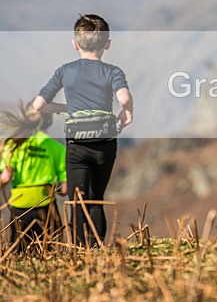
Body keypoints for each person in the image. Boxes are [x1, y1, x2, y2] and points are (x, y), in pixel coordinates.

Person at [33, 14, 133, 247]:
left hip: (77, 145)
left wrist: (67, 109)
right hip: (105, 143)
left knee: (77, 200)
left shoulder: (64, 71)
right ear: (107, 43)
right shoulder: (113, 72)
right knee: (96, 199)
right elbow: (124, 98)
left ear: (75, 43)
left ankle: (79, 251)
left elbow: (39, 105)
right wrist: (128, 110)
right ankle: (97, 250)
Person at [0, 101, 67, 251]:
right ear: (48, 120)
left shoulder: (11, 145)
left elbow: (5, 178)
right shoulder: (57, 148)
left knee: (19, 252)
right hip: (46, 206)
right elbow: (64, 189)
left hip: (19, 205)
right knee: (46, 251)